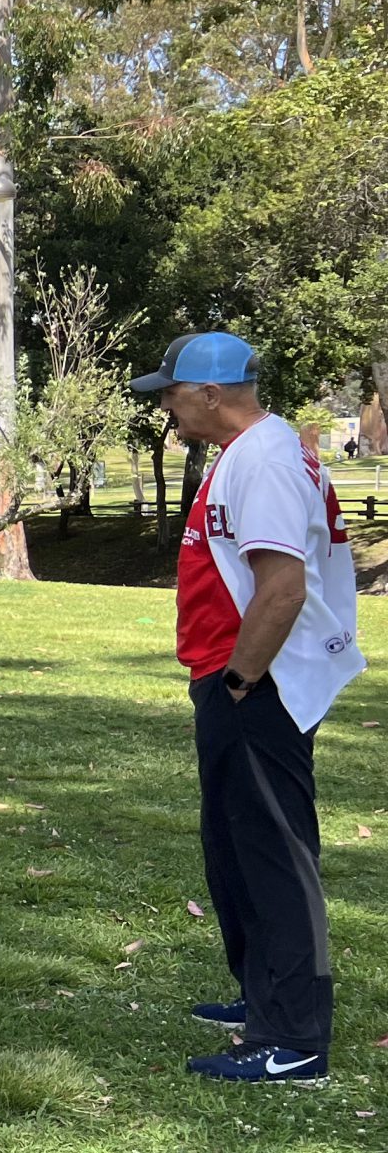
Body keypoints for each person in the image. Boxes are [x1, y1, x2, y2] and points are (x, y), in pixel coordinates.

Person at [132, 331, 364, 1080]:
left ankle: (293, 1040)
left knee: (272, 854)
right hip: (240, 676)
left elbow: (284, 588)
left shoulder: (262, 459)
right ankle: (264, 996)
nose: (164, 404)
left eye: (171, 391)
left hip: (258, 683)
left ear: (210, 393)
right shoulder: (255, 452)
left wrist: (238, 682)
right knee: (234, 850)